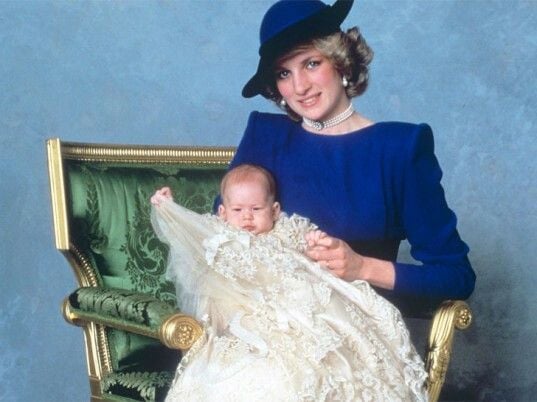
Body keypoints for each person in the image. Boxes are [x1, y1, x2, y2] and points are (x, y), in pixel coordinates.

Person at [232, 0, 476, 312]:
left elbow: (456, 277)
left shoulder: (399, 148)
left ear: (342, 62)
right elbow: (220, 242)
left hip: (354, 332)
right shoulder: (264, 136)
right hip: (265, 324)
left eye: (311, 64)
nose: (299, 87)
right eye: (283, 73)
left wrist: (361, 268)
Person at [150, 164, 427, 401]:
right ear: (222, 213)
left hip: (296, 306)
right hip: (246, 314)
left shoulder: (284, 230)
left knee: (326, 346)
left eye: (256, 208)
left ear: (274, 210)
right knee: (236, 366)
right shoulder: (219, 234)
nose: (247, 217)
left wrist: (318, 242)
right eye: (237, 210)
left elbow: (308, 239)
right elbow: (189, 231)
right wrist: (168, 208)